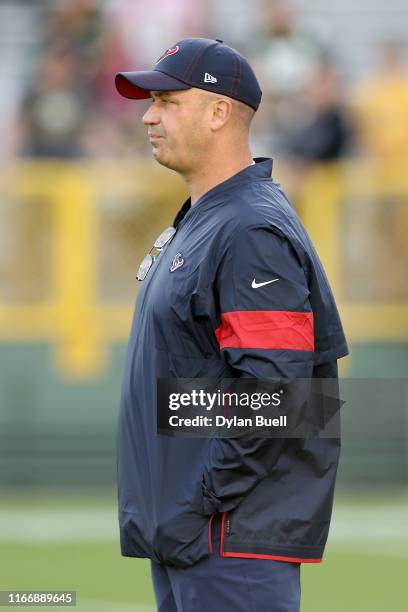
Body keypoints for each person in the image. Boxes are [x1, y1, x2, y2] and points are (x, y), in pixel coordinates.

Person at [115, 38, 348, 612]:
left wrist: (201, 500)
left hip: (227, 540)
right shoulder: (209, 217)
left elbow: (280, 396)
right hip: (194, 533)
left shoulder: (249, 231)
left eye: (167, 100)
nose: (149, 114)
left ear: (219, 112)